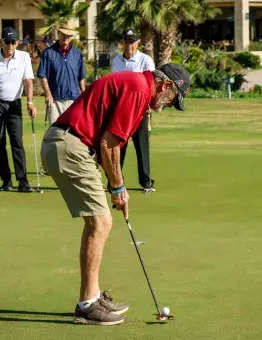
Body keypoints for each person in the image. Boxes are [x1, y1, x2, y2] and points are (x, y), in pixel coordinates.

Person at [40, 63, 190, 326]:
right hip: (70, 145)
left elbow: (109, 145)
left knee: (97, 222)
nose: (167, 105)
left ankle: (93, 297)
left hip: (69, 145)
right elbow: (109, 144)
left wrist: (114, 185)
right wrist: (119, 188)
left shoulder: (136, 87)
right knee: (101, 222)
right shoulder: (137, 89)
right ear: (166, 86)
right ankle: (87, 305)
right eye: (172, 99)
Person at [0, 27, 37, 192]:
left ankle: (23, 181)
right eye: (7, 41)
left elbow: (28, 81)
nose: (10, 45)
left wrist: (30, 103)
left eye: (13, 42)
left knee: (17, 141)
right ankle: (6, 180)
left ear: (17, 43)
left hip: (14, 104)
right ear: (1, 42)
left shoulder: (24, 57)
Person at [112, 29, 156, 193]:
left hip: (139, 110)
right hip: (121, 110)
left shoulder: (145, 60)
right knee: (118, 147)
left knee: (142, 146)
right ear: (122, 43)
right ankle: (115, 182)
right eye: (127, 41)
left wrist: (149, 106)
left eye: (132, 42)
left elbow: (151, 84)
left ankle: (146, 183)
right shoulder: (117, 61)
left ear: (138, 43)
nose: (129, 45)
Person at [37, 21, 86, 126]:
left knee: (73, 133)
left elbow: (81, 77)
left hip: (74, 99)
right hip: (55, 100)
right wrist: (48, 94)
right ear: (58, 33)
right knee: (54, 133)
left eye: (69, 35)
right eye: (63, 34)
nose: (66, 37)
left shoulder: (77, 53)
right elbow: (43, 75)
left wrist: (84, 96)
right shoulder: (48, 53)